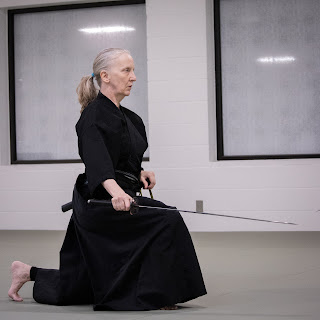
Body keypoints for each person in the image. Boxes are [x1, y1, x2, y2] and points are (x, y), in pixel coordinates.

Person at [8, 48, 207, 311]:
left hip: (123, 197)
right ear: (106, 76)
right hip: (100, 203)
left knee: (79, 285)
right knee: (167, 219)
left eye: (133, 70)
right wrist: (116, 193)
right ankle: (156, 294)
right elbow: (98, 163)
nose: (133, 77)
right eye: (126, 70)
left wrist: (140, 173)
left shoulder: (131, 118)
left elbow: (124, 158)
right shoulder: (92, 116)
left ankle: (28, 271)